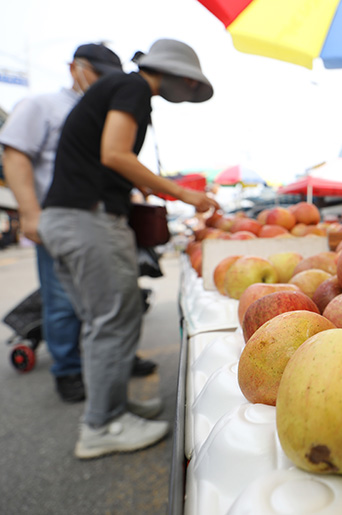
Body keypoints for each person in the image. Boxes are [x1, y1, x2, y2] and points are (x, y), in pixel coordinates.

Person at [37, 39, 220, 459]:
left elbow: (108, 158)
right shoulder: (133, 88)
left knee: (100, 320)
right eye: (190, 84)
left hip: (65, 217)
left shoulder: (119, 89)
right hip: (89, 218)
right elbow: (115, 153)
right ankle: (101, 425)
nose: (189, 92)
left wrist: (154, 184)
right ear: (174, 73)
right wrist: (181, 194)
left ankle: (112, 406)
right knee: (114, 317)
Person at [0, 43, 156, 404]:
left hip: (97, 217)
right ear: (76, 68)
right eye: (99, 74)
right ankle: (68, 370)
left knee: (111, 302)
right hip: (63, 215)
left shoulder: (104, 104)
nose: (103, 81)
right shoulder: (42, 105)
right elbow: (16, 154)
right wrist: (29, 212)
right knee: (62, 300)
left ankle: (114, 364)